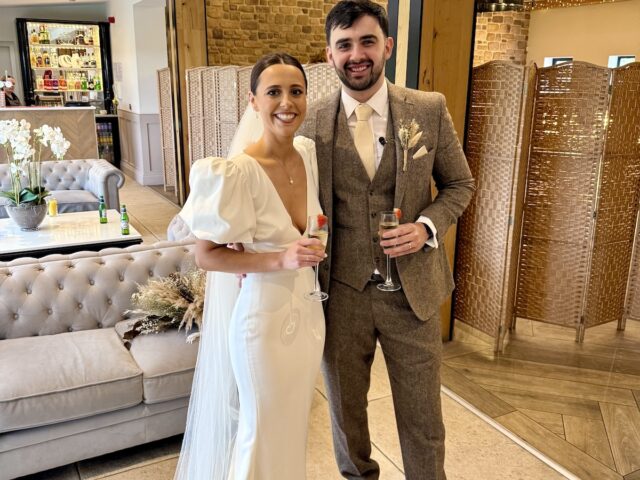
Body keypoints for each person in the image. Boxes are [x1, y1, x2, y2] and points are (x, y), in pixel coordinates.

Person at [299, 1, 475, 479]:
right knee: (346, 417)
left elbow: (460, 185)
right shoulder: (310, 123)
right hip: (341, 296)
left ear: (388, 46)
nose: (357, 54)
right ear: (330, 55)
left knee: (423, 419)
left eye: (367, 41)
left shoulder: (428, 109)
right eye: (345, 45)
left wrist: (427, 227)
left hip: (413, 295)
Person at [174, 53, 326, 479]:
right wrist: (280, 257)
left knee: (293, 429)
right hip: (262, 324)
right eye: (273, 92)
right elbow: (206, 255)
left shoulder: (308, 155)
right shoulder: (236, 172)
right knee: (259, 430)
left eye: (296, 91)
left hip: (310, 317)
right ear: (253, 101)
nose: (286, 102)